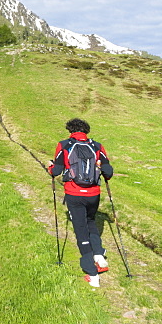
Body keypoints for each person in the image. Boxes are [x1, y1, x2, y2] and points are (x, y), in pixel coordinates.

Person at [47, 118, 114, 288]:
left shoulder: (64, 145)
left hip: (74, 194)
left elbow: (56, 171)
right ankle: (99, 255)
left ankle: (92, 274)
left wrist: (50, 167)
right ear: (86, 131)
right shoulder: (97, 146)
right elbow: (108, 172)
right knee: (90, 221)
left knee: (80, 229)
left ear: (70, 130)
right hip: (93, 194)